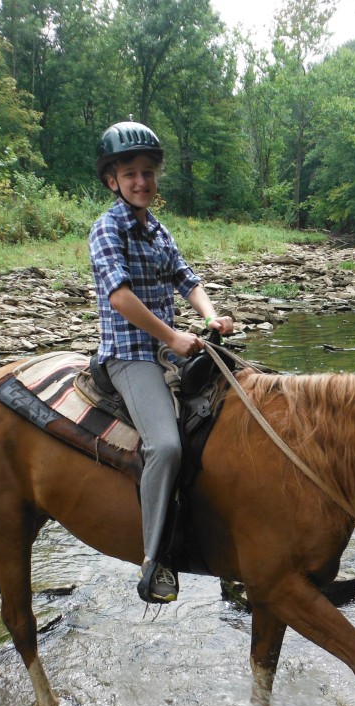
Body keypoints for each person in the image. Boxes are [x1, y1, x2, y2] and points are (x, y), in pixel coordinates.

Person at [89, 120, 233, 604]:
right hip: (131, 357)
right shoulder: (107, 229)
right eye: (129, 173)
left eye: (148, 173)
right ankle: (155, 562)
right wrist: (173, 337)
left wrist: (211, 315)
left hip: (171, 349)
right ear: (112, 180)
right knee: (167, 446)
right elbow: (121, 298)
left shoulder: (157, 230)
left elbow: (186, 279)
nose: (141, 182)